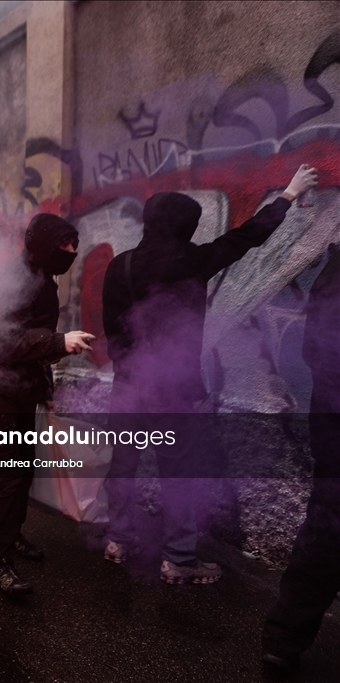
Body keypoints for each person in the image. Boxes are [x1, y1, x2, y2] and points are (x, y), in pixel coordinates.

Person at [101, 165, 318, 585]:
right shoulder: (191, 260)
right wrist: (288, 194)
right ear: (186, 226)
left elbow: (112, 329)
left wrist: (128, 368)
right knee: (177, 474)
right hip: (172, 394)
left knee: (123, 466)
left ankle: (117, 540)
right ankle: (178, 561)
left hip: (128, 387)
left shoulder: (119, 266)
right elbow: (247, 237)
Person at [0, 213, 94, 595]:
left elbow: (29, 348)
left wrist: (45, 391)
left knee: (22, 470)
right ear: (43, 244)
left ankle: (13, 537)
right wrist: (59, 342)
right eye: (64, 245)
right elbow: (4, 340)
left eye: (73, 244)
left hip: (19, 388)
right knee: (9, 476)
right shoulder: (17, 279)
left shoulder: (40, 275)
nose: (72, 251)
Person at [262, 244, 339, 672]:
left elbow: (316, 350)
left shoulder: (334, 268)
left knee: (325, 526)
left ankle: (283, 639)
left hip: (330, 416)